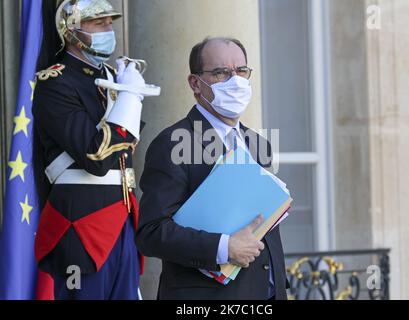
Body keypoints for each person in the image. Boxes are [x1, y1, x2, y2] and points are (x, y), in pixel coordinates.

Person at [136, 37, 289, 300]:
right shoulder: (172, 142)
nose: (235, 80)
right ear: (195, 83)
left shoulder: (258, 143)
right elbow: (151, 233)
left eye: (241, 71)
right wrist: (224, 247)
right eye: (221, 72)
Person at [33, 0, 145, 300]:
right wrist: (131, 98)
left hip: (122, 218)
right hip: (80, 225)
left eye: (110, 22)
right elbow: (96, 157)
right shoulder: (55, 83)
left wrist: (123, 91)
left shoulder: (111, 79)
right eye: (99, 24)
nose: (109, 29)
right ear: (71, 31)